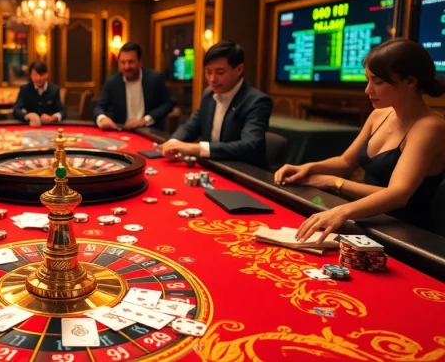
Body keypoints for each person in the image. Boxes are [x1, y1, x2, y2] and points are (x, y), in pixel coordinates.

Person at [273, 39, 445, 239]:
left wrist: (334, 184)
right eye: (368, 80)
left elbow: (398, 194)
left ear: (410, 82)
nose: (368, 90)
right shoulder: (379, 114)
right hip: (367, 221)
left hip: (406, 235)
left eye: (378, 82)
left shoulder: (430, 127)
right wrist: (308, 168)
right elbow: (346, 162)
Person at [160, 41, 273, 169]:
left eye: (220, 73)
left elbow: (249, 146)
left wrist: (195, 148)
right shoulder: (208, 94)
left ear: (239, 69)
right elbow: (190, 126)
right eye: (208, 72)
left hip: (244, 173)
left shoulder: (257, 101)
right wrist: (173, 143)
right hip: (214, 166)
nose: (212, 79)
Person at [94, 42, 175, 130]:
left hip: (149, 131)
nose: (126, 67)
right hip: (122, 131)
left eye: (131, 62)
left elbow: (168, 103)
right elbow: (99, 107)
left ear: (140, 62)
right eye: (122, 62)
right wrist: (102, 118)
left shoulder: (154, 79)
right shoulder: (112, 82)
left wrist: (146, 120)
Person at [13, 60, 65, 127]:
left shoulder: (54, 90)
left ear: (47, 74)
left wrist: (52, 118)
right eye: (35, 75)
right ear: (30, 75)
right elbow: (16, 110)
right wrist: (27, 115)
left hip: (49, 127)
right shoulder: (24, 89)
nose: (38, 78)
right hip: (29, 126)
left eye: (41, 75)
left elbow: (62, 111)